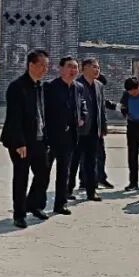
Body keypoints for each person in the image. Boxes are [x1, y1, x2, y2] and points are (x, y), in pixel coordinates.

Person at [0, 48, 52, 228]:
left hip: (39, 139)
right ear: (31, 65)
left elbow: (43, 114)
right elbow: (14, 118)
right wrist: (19, 143)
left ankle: (34, 204)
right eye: (42, 65)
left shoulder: (41, 87)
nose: (45, 69)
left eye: (47, 66)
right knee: (21, 177)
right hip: (20, 141)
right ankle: (19, 214)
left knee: (43, 173)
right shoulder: (17, 87)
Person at [44, 56, 84, 217]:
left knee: (64, 172)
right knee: (43, 172)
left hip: (69, 137)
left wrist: (83, 117)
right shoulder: (50, 87)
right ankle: (37, 204)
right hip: (51, 137)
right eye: (69, 66)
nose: (73, 70)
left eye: (75, 67)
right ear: (60, 69)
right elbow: (43, 110)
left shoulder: (78, 87)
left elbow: (82, 105)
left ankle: (60, 204)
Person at [72, 58, 106, 202]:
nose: (97, 70)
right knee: (73, 161)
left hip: (93, 130)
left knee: (91, 161)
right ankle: (68, 189)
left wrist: (103, 126)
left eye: (98, 67)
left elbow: (101, 108)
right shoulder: (76, 84)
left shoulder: (99, 85)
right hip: (78, 130)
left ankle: (91, 192)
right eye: (94, 67)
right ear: (84, 68)